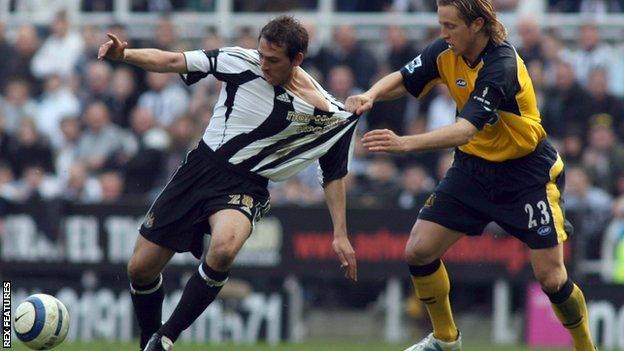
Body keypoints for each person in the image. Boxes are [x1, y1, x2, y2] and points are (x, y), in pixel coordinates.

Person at [346, 1, 597, 350]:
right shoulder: (446, 49)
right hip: (473, 169)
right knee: (418, 250)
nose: (443, 34)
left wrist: (404, 144)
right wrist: (370, 94)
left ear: (478, 24)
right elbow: (405, 77)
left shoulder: (502, 65)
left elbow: (465, 129)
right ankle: (446, 340)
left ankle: (587, 348)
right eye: (441, 25)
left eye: (450, 26)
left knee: (552, 278)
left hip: (525, 175)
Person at [98, 16, 358, 351]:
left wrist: (340, 233)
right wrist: (125, 56)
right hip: (200, 170)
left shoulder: (327, 115)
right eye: (261, 54)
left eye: (273, 60)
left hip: (246, 186)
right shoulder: (240, 60)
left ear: (297, 60)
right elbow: (175, 60)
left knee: (223, 248)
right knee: (140, 270)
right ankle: (147, 342)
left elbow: (333, 173)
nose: (263, 64)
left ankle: (166, 338)